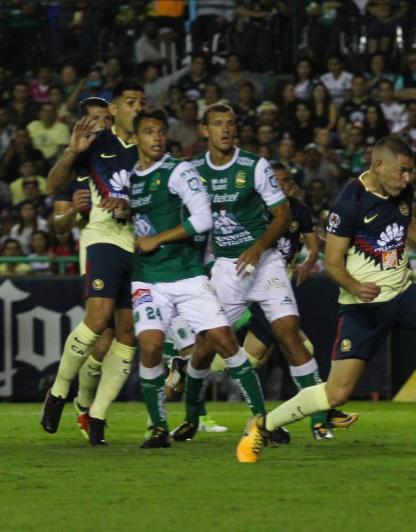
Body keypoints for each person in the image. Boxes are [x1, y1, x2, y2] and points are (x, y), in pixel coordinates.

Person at [261, 135, 416, 442]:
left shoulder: (402, 189)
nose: (407, 178)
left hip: (402, 294)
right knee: (337, 394)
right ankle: (264, 425)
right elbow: (333, 261)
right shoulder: (350, 203)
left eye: (409, 172)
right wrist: (356, 286)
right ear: (378, 165)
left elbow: (406, 221)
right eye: (402, 171)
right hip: (362, 307)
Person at [181, 104, 357, 441]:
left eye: (230, 123)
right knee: (204, 348)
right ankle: (191, 416)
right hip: (226, 269)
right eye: (218, 124)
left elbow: (281, 215)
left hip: (266, 264)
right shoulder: (192, 171)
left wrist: (259, 247)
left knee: (289, 331)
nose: (226, 129)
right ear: (204, 130)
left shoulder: (255, 166)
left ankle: (319, 418)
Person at [119, 108, 270, 460]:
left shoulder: (179, 171)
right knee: (152, 346)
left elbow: (203, 219)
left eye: (161, 131)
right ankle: (157, 426)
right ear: (136, 139)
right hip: (148, 278)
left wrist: (158, 239)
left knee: (223, 341)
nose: (157, 138)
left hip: (187, 274)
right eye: (149, 132)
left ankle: (262, 418)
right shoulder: (130, 177)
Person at [40, 83, 145, 446]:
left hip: (137, 244)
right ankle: (58, 393)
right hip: (100, 238)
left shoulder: (142, 147)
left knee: (121, 335)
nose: (97, 119)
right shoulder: (86, 154)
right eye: (91, 114)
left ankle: (93, 411)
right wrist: (71, 156)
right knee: (99, 323)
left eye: (102, 113)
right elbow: (56, 217)